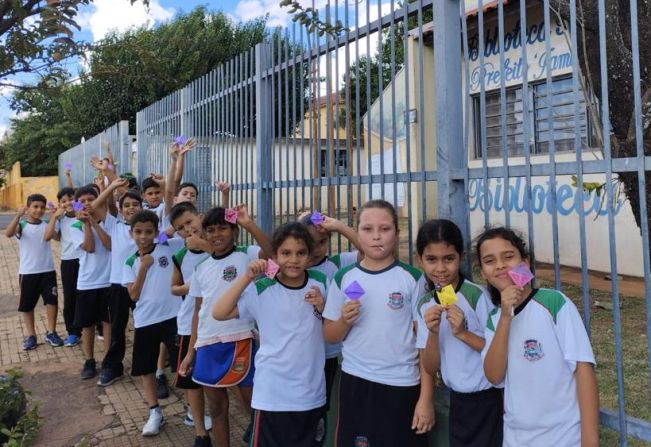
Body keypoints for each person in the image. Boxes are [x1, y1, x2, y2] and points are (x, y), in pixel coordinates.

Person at [322, 199, 434, 447]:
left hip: (402, 384)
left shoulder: (413, 279)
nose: (376, 237)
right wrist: (344, 321)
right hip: (355, 382)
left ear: (397, 232)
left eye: (384, 229)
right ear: (357, 232)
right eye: (367, 229)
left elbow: (424, 343)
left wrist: (425, 398)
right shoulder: (344, 277)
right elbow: (330, 335)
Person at [478, 227, 599, 447]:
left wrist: (590, 441)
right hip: (516, 439)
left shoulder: (553, 303)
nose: (500, 265)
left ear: (524, 261)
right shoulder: (494, 319)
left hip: (563, 438)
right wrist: (506, 316)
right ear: (483, 272)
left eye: (508, 256)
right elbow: (494, 376)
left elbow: (583, 369)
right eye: (489, 260)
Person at [212, 222, 328, 447]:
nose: (293, 260)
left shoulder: (320, 282)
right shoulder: (262, 287)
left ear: (310, 255)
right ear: (274, 255)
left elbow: (332, 325)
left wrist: (323, 307)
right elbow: (219, 312)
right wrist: (246, 277)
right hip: (272, 395)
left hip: (311, 395)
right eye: (286, 253)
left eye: (300, 253)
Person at [180, 205, 271, 447]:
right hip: (208, 344)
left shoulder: (247, 254)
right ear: (204, 234)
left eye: (223, 228)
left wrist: (249, 224)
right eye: (210, 230)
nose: (217, 234)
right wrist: (191, 352)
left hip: (241, 339)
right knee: (218, 410)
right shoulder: (201, 268)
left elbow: (272, 256)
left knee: (254, 408)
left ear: (234, 231)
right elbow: (199, 313)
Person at [415, 219, 502, 446]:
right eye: (431, 260)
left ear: (461, 258)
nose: (441, 268)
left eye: (449, 259)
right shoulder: (424, 305)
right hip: (457, 400)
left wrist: (463, 333)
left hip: (488, 398)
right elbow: (430, 366)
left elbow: (497, 351)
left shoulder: (476, 297)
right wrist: (433, 332)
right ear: (420, 260)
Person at [122, 210, 184, 436]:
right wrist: (143, 268)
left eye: (148, 232)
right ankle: (154, 412)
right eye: (138, 232)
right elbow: (134, 295)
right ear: (131, 233)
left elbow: (177, 230)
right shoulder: (130, 260)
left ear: (156, 233)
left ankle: (193, 411)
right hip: (146, 320)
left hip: (174, 317)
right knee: (146, 368)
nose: (143, 236)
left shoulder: (170, 246)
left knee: (183, 366)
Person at [299, 212, 361, 417]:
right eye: (310, 242)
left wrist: (339, 226)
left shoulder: (337, 263)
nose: (316, 249)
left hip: (326, 352)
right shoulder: (288, 267)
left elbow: (367, 250)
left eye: (322, 242)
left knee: (319, 406)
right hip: (297, 350)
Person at [169, 202, 215, 447]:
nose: (188, 229)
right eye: (181, 228)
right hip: (190, 324)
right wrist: (190, 287)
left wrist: (204, 245)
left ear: (200, 217)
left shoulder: (217, 243)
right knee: (192, 381)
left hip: (221, 321)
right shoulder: (180, 255)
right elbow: (174, 287)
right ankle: (200, 431)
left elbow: (227, 260)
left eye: (190, 222)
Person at [92, 178, 142, 386]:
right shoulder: (115, 225)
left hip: (142, 285)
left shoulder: (149, 228)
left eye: (135, 204)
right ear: (120, 209)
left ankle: (145, 367)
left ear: (142, 207)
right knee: (117, 326)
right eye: (127, 205)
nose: (131, 208)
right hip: (118, 285)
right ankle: (113, 367)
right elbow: (95, 206)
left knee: (144, 326)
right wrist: (111, 187)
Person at [5, 193, 63, 350]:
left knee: (52, 301)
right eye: (35, 207)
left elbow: (51, 237)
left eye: (42, 207)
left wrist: (55, 218)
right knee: (27, 305)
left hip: (48, 271)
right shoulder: (22, 225)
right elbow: (8, 233)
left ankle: (51, 332)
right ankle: (31, 335)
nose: (39, 210)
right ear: (28, 207)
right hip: (28, 272)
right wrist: (18, 216)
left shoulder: (46, 224)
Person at [70, 186, 112, 379]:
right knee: (87, 325)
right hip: (87, 282)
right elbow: (90, 247)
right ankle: (89, 360)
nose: (87, 203)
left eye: (91, 199)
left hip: (108, 281)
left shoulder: (108, 221)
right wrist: (86, 224)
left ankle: (108, 361)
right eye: (83, 200)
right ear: (77, 204)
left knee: (107, 324)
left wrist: (94, 222)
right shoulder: (74, 226)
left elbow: (109, 244)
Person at [44, 187, 82, 347]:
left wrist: (79, 207)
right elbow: (52, 236)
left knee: (88, 295)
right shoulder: (61, 219)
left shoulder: (83, 215)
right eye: (63, 201)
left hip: (86, 260)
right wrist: (54, 217)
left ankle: (97, 327)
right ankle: (73, 332)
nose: (68, 203)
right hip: (68, 261)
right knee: (70, 297)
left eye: (71, 199)